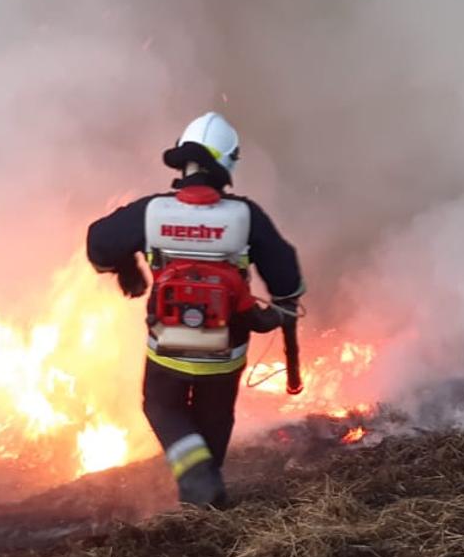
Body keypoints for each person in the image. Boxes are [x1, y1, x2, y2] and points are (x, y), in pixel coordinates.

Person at [85, 111, 305, 508]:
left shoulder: (152, 212)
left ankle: (197, 477)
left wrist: (126, 266)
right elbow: (286, 276)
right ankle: (204, 492)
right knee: (215, 420)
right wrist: (281, 310)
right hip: (225, 354)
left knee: (161, 406)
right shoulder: (245, 216)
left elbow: (98, 244)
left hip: (166, 352)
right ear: (227, 162)